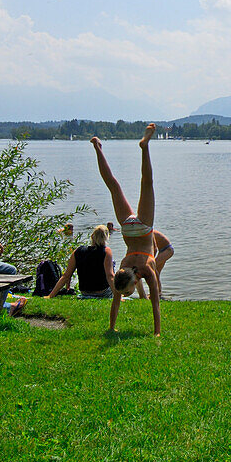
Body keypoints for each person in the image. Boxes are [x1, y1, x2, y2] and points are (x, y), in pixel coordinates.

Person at [92, 126, 162, 336]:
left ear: (131, 282)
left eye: (127, 292)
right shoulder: (122, 269)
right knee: (113, 186)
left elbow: (155, 302)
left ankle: (144, 147)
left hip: (143, 229)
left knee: (146, 183)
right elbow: (154, 303)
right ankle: (97, 147)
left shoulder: (144, 271)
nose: (127, 294)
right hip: (128, 230)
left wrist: (157, 332)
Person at [46, 225, 116, 299]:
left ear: (92, 236)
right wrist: (118, 296)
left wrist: (50, 295)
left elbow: (66, 276)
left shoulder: (78, 251)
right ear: (106, 237)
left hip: (84, 292)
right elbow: (110, 276)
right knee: (113, 264)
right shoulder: (106, 251)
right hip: (102, 292)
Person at [132, 229, 175, 299]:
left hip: (167, 250)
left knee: (153, 269)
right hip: (163, 250)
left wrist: (150, 260)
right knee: (156, 271)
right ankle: (158, 292)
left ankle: (157, 293)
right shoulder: (143, 232)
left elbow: (154, 249)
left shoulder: (149, 233)